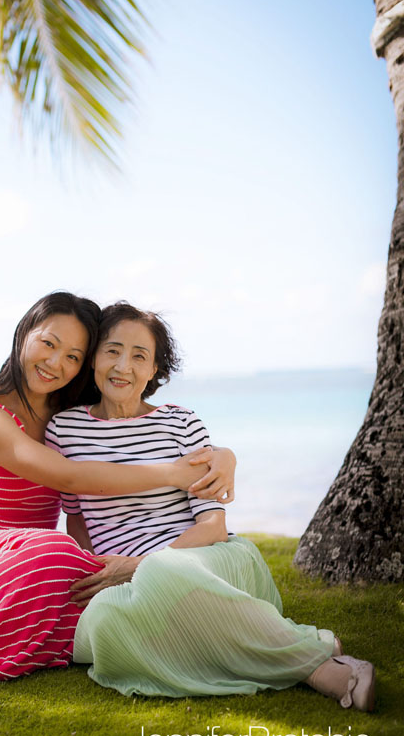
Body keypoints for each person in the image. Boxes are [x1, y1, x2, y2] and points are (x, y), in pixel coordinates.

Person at [0, 291, 234, 693]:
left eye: (73, 356)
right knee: (58, 550)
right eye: (49, 344)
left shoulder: (64, 416)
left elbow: (125, 435)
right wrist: (173, 474)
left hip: (38, 564)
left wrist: (223, 456)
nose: (56, 363)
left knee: (95, 582)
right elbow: (70, 479)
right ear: (24, 335)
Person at [45, 301, 375, 711]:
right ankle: (311, 644)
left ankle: (322, 671)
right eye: (112, 350)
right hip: (127, 583)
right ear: (94, 356)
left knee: (162, 571)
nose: (122, 366)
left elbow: (213, 528)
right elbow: (76, 521)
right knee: (106, 624)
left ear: (154, 371)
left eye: (139, 356)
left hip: (208, 559)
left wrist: (143, 564)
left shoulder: (182, 422)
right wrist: (103, 569)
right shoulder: (64, 429)